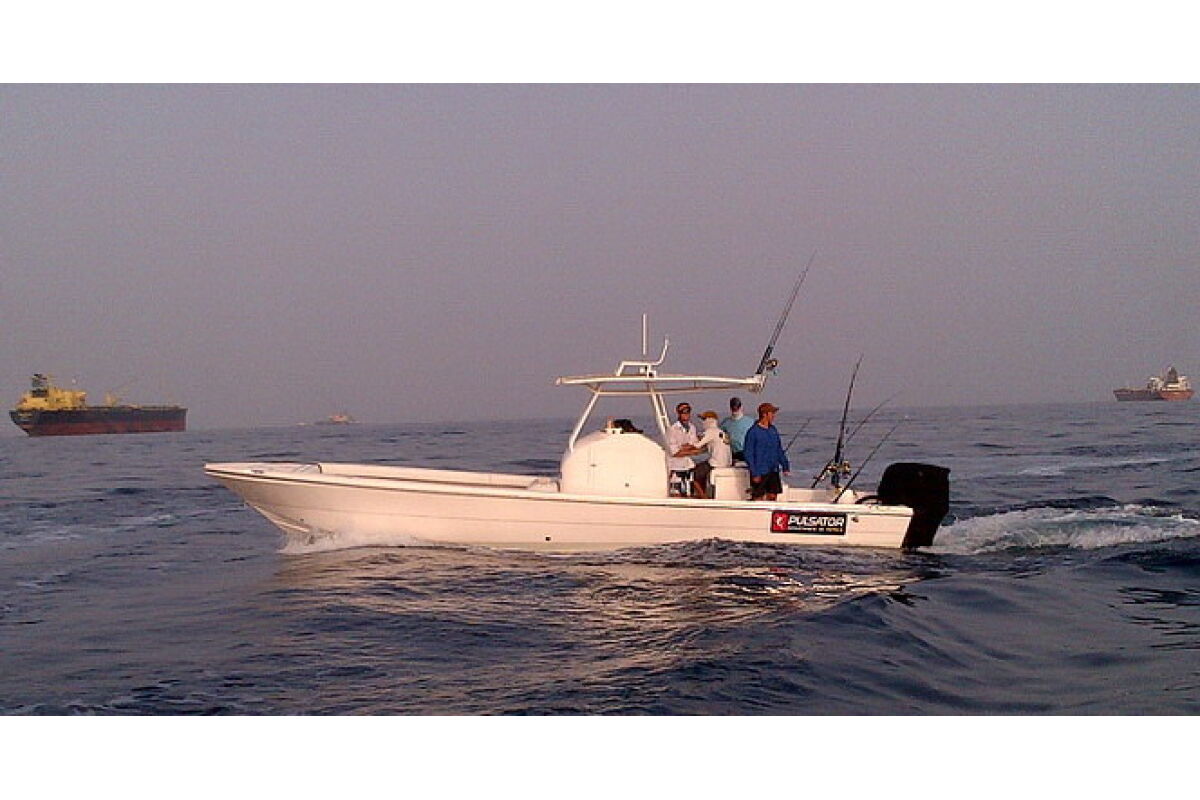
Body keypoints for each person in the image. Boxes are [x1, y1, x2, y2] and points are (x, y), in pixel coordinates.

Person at [743, 402, 790, 501]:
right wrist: (754, 473)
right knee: (758, 497)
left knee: (773, 496)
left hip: (773, 470)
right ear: (764, 414)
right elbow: (748, 454)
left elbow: (779, 450)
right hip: (760, 471)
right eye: (772, 413)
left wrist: (785, 466)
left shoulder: (773, 430)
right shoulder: (753, 432)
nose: (773, 416)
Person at [666, 401, 703, 497]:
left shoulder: (692, 427)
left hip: (688, 466)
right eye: (683, 411)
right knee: (676, 495)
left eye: (688, 411)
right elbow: (675, 452)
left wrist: (684, 448)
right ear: (678, 413)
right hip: (676, 468)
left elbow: (694, 445)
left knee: (689, 494)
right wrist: (691, 450)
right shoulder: (672, 429)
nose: (686, 413)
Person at [693, 411, 732, 499]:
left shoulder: (710, 431)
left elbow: (697, 445)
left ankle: (703, 496)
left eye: (703, 419)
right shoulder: (721, 432)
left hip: (716, 463)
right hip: (727, 463)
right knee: (703, 469)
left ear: (709, 420)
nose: (702, 422)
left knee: (696, 472)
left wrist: (683, 448)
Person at [720, 396, 755, 463]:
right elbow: (720, 436)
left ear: (741, 407)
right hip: (731, 453)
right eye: (733, 408)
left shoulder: (751, 422)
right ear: (730, 408)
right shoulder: (725, 423)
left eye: (737, 407)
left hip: (746, 453)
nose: (735, 409)